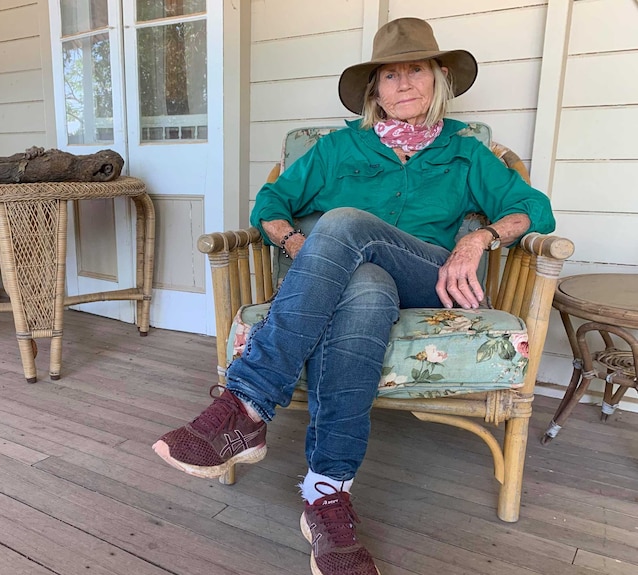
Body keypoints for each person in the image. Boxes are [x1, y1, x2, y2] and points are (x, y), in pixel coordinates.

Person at [153, 17, 555, 575]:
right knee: (364, 287)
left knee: (342, 223)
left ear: (439, 79)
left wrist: (478, 237)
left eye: (417, 71)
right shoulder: (339, 149)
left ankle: (246, 403)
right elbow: (270, 203)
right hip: (363, 289)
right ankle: (327, 493)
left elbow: (533, 211)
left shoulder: (467, 153)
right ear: (375, 91)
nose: (404, 84)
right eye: (390, 76)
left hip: (429, 279)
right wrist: (294, 240)